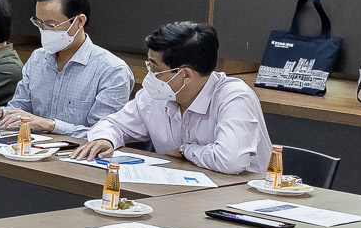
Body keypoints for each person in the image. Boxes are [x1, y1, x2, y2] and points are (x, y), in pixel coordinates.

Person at [70, 20, 273, 173]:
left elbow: (230, 161)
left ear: (184, 74)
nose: (149, 73)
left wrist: (186, 150)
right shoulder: (157, 95)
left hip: (239, 199)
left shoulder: (234, 97)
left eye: (154, 67)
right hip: (180, 191)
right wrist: (106, 140)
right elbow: (114, 124)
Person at [0, 0, 133, 136]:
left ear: (79, 21)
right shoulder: (38, 58)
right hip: (30, 149)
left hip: (77, 155)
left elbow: (102, 134)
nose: (44, 30)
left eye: (51, 25)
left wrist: (50, 125)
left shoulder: (112, 70)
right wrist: (1, 113)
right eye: (39, 23)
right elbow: (21, 108)